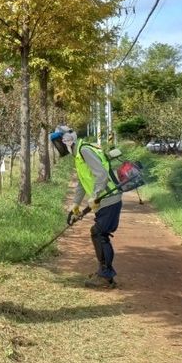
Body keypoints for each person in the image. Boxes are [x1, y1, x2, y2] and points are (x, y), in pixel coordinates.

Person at [50, 124, 122, 289]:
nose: (58, 146)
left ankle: (105, 276)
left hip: (109, 198)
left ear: (66, 140)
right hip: (105, 200)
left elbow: (101, 175)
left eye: (58, 142)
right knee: (99, 233)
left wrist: (95, 195)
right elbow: (83, 182)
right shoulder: (79, 153)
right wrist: (75, 205)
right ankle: (104, 273)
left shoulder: (84, 151)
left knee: (99, 233)